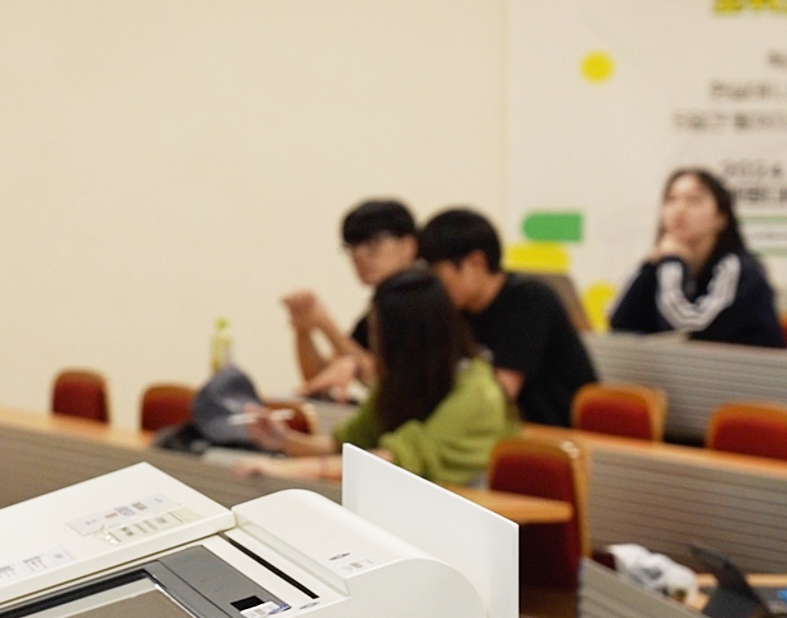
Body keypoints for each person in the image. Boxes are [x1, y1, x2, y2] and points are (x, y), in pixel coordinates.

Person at [243, 267, 514, 486]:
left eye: (379, 333)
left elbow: (392, 462)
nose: (375, 345)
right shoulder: (402, 381)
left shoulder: (478, 392)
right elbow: (343, 445)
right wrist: (283, 440)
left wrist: (285, 470)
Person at [420, 208, 598, 428]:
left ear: (476, 262)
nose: (434, 286)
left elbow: (499, 396)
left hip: (553, 432)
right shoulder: (457, 309)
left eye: (437, 273)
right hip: (500, 431)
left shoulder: (529, 299)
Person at [607, 168, 785, 348]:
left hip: (746, 366)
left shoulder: (738, 268)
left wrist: (672, 262)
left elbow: (686, 331)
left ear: (721, 218)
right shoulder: (664, 263)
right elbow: (621, 324)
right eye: (671, 199)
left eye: (694, 200)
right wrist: (650, 268)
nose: (679, 209)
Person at [282, 199, 418, 397]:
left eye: (373, 242)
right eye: (353, 246)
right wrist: (303, 331)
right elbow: (319, 378)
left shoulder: (425, 300)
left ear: (408, 245)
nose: (360, 255)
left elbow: (387, 379)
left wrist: (326, 325)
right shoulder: (380, 305)